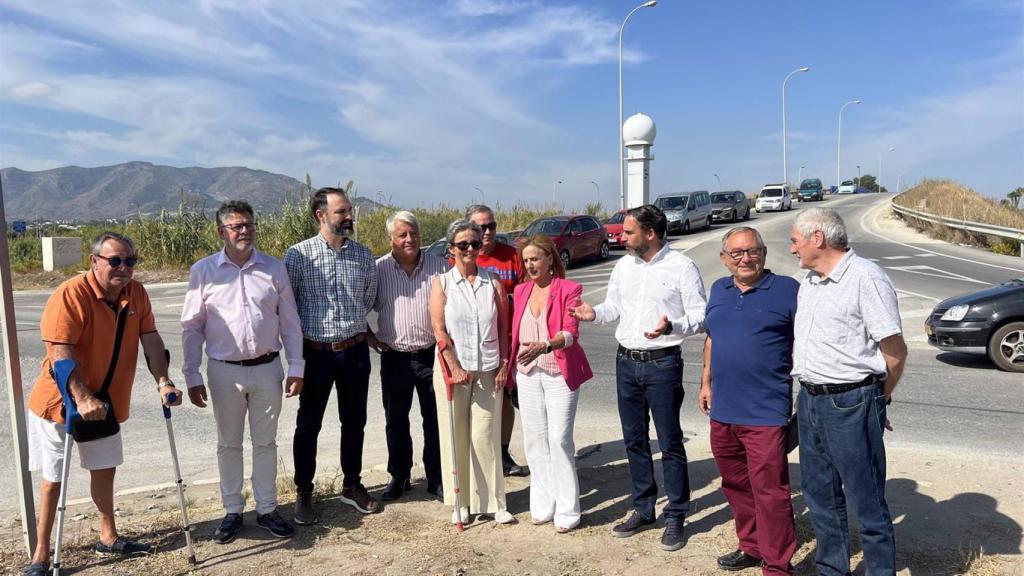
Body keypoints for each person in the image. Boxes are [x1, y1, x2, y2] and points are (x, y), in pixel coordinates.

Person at [22, 232, 178, 576]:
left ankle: (108, 536)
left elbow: (150, 337)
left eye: (130, 261)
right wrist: (81, 397)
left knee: (105, 469)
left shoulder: (136, 292)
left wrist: (164, 381)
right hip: (59, 401)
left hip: (105, 401)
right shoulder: (70, 295)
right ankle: (41, 555)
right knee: (53, 478)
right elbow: (60, 353)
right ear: (94, 262)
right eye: (115, 261)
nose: (124, 268)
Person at [571, 204, 706, 552]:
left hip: (662, 364)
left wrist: (671, 326)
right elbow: (613, 308)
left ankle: (676, 513)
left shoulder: (681, 267)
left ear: (650, 233)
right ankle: (643, 508)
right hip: (625, 362)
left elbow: (700, 315)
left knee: (670, 441)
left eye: (628, 232)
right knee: (634, 439)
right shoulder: (623, 266)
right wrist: (593, 313)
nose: (621, 236)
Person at [789, 207, 908, 576]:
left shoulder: (865, 278)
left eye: (795, 241)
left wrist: (878, 398)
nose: (793, 249)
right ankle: (831, 570)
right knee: (820, 495)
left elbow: (895, 351)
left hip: (850, 402)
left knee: (866, 498)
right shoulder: (810, 282)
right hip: (809, 400)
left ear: (817, 238)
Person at [180, 201, 305, 543]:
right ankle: (233, 510)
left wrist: (296, 366)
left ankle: (267, 509)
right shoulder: (203, 271)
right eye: (236, 226)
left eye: (248, 224)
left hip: (267, 370)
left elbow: (290, 322)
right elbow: (192, 327)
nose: (244, 231)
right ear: (221, 232)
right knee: (229, 444)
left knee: (265, 442)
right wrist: (192, 375)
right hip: (224, 372)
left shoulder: (273, 269)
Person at [699, 227, 798, 574]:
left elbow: (812, 339)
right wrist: (706, 381)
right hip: (723, 410)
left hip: (766, 411)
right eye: (737, 253)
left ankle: (777, 564)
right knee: (736, 485)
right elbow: (712, 337)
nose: (746, 259)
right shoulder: (719, 289)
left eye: (752, 251)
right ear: (725, 259)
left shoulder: (788, 290)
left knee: (771, 492)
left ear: (765, 253)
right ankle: (752, 546)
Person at [285, 186, 380, 523]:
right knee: (308, 424)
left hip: (354, 352)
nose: (349, 216)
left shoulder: (364, 255)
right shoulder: (297, 256)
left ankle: (352, 485)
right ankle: (304, 491)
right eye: (342, 211)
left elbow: (367, 300)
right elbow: (290, 307)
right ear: (321, 215)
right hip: (317, 354)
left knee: (354, 422)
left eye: (349, 210)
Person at [429, 219, 513, 524]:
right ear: (451, 249)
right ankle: (460, 500)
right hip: (455, 372)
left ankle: (493, 501)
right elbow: (439, 329)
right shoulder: (443, 283)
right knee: (455, 434)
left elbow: (503, 327)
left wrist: (504, 364)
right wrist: (454, 365)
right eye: (462, 244)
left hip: (489, 369)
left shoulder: (493, 283)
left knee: (486, 435)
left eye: (475, 243)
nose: (469, 249)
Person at [509, 235, 592, 533]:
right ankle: (544, 504)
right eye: (526, 260)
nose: (530, 265)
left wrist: (546, 345)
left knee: (559, 439)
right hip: (527, 373)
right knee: (534, 439)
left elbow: (571, 334)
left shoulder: (569, 289)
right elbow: (514, 335)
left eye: (536, 258)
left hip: (559, 372)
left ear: (549, 259)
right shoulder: (520, 291)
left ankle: (568, 509)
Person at [370, 210, 447, 501]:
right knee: (396, 419)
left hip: (432, 356)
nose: (409, 239)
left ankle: (436, 476)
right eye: (402, 234)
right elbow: (358, 306)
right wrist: (368, 336)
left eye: (413, 233)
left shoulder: (440, 268)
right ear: (390, 238)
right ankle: (399, 476)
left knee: (435, 419)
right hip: (395, 357)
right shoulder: (378, 270)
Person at [464, 204, 528, 477]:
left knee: (505, 399)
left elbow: (529, 292)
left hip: (509, 342)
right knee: (476, 402)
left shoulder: (511, 257)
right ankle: (476, 458)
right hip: (474, 345)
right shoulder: (464, 257)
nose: (487, 231)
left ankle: (502, 454)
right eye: (480, 227)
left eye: (491, 225)